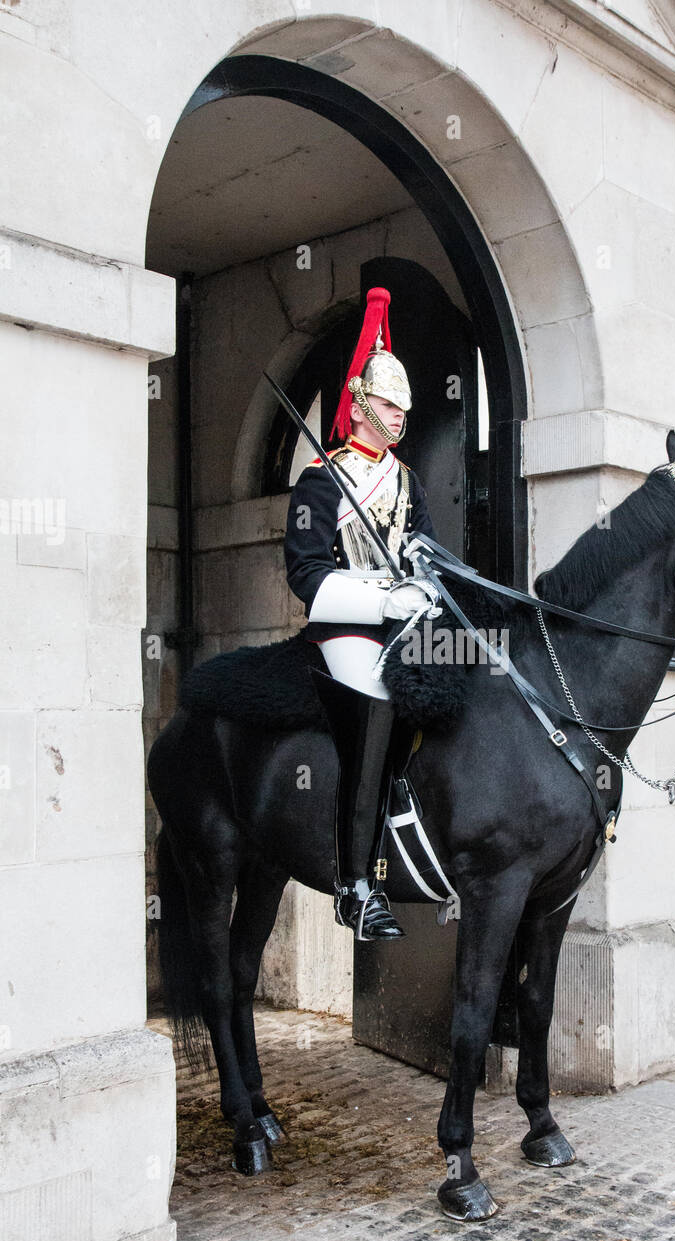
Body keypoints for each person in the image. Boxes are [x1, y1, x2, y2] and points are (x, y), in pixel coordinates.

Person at [284, 287, 439, 941]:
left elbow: (427, 552)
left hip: (405, 620)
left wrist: (429, 589)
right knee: (377, 703)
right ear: (358, 400)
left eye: (403, 404)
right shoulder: (323, 478)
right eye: (386, 401)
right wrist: (380, 598)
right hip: (345, 626)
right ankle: (357, 886)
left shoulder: (406, 481)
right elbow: (306, 574)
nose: (398, 414)